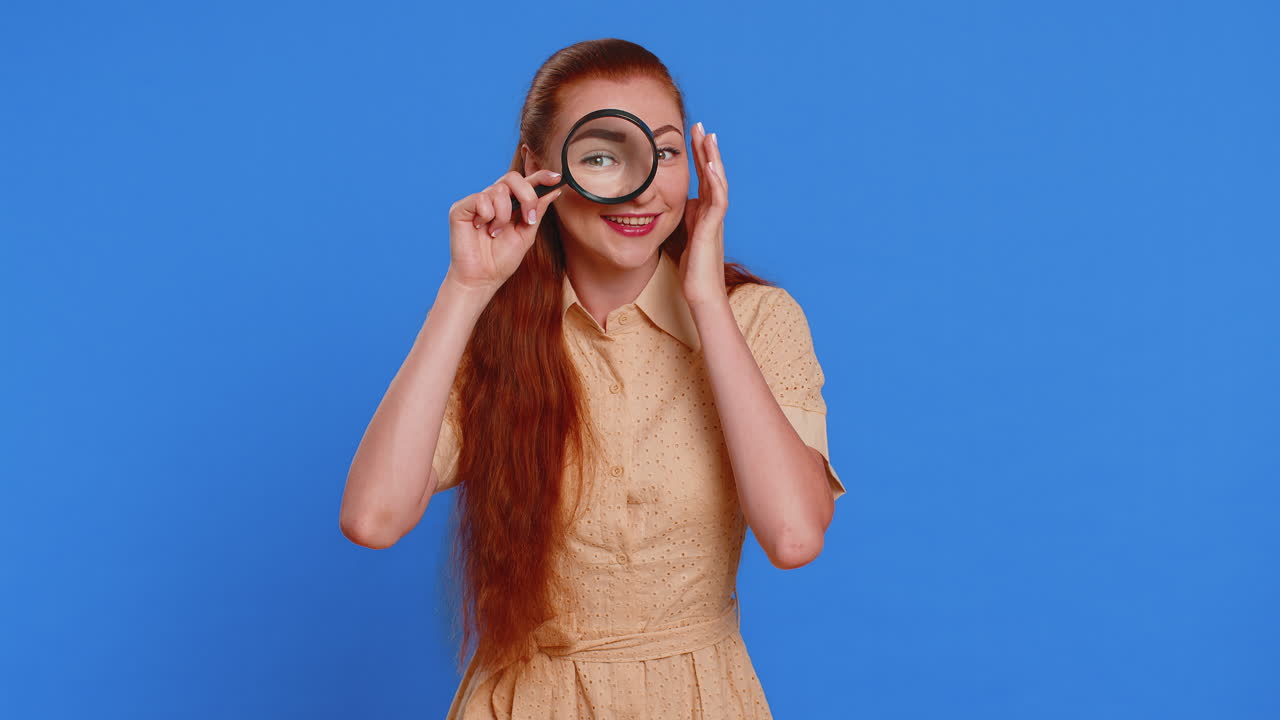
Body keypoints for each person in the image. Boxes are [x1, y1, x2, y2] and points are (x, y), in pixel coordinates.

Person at [340, 38, 846, 719]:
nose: (641, 186)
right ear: (537, 169)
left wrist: (704, 301)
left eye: (664, 153)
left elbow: (793, 537)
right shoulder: (493, 332)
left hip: (699, 700)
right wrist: (465, 290)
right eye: (603, 155)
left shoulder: (759, 321)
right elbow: (373, 518)